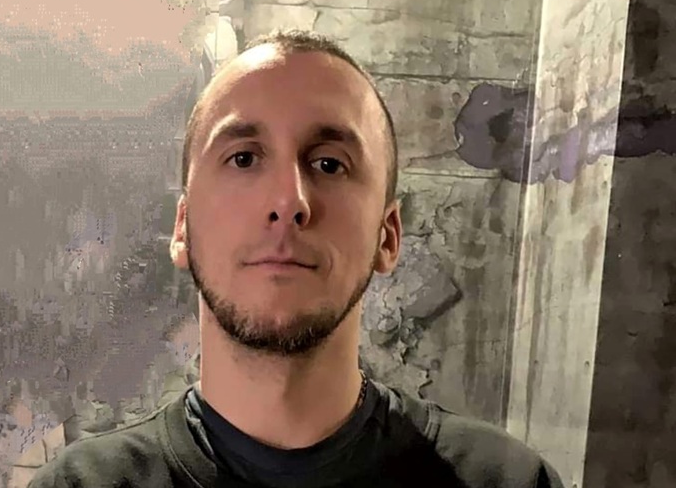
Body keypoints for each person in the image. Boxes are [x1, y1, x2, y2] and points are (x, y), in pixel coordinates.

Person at [29, 29, 564, 488]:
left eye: (330, 164)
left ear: (388, 235)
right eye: (243, 158)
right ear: (183, 227)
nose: (288, 201)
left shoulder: (506, 480)